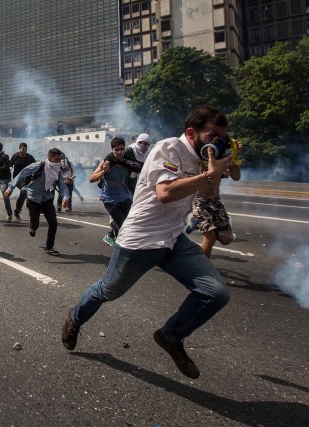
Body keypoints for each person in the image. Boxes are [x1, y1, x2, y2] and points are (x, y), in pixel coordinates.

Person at [61, 106, 234, 380]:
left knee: (216, 293)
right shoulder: (169, 148)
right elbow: (165, 193)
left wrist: (219, 168)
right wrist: (209, 174)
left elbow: (209, 192)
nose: (217, 143)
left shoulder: (203, 158)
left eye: (221, 138)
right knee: (109, 290)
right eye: (213, 136)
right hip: (140, 240)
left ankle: (171, 335)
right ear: (191, 133)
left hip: (173, 239)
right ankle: (76, 317)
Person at [4, 148, 70, 256]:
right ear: (50, 158)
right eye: (57, 159)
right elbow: (21, 174)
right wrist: (10, 188)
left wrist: (65, 197)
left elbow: (62, 186)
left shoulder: (57, 171)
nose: (59, 162)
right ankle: (32, 227)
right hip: (33, 199)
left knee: (53, 223)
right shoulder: (38, 166)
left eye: (60, 159)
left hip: (47, 199)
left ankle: (49, 248)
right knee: (35, 224)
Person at [191, 136, 243, 257]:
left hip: (215, 201)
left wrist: (235, 156)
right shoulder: (200, 153)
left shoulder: (223, 157)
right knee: (210, 239)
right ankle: (203, 270)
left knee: (226, 239)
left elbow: (236, 177)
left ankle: (196, 224)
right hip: (199, 200)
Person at [89, 137, 142, 246]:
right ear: (112, 150)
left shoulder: (127, 162)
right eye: (116, 150)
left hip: (125, 197)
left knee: (131, 223)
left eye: (121, 149)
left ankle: (111, 233)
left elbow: (140, 169)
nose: (119, 152)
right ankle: (122, 247)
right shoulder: (107, 162)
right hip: (110, 199)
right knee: (124, 226)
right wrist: (104, 171)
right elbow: (91, 178)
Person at [9, 142, 36, 220]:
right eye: (22, 149)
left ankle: (34, 210)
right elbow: (9, 165)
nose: (24, 151)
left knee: (31, 193)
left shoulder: (30, 157)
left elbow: (36, 165)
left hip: (27, 179)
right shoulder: (15, 156)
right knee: (24, 191)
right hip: (17, 179)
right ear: (19, 149)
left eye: (25, 149)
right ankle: (17, 211)